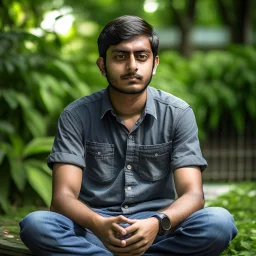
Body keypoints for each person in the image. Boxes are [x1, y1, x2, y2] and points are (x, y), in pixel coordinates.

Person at [19, 15, 237, 256]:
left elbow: (193, 194)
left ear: (154, 64)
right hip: (93, 231)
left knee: (219, 223)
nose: (132, 65)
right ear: (102, 66)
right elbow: (62, 197)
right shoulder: (76, 116)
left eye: (141, 56)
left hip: (157, 231)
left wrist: (157, 222)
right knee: (36, 225)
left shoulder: (178, 114)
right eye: (120, 56)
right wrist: (98, 224)